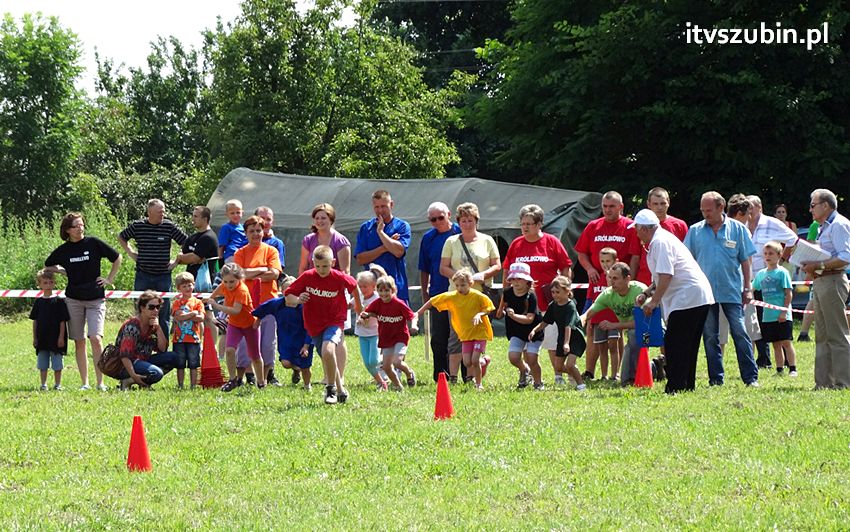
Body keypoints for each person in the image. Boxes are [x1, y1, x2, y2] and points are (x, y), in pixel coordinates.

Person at [633, 209, 714, 394]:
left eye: (636, 229)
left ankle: (675, 386)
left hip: (687, 297)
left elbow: (666, 275)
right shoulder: (661, 240)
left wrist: (653, 301)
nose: (636, 233)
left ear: (644, 229)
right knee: (687, 343)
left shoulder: (660, 242)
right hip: (695, 296)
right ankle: (686, 384)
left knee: (674, 342)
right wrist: (647, 292)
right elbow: (662, 274)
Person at [684, 191, 759, 387]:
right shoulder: (695, 231)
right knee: (710, 336)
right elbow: (687, 261)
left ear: (721, 207)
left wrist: (748, 287)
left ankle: (750, 377)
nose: (705, 214)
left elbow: (746, 261)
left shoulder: (738, 229)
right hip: (705, 293)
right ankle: (716, 378)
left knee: (740, 332)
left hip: (732, 290)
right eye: (702, 210)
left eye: (709, 210)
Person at [45, 212, 122, 390]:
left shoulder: (93, 243)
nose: (80, 228)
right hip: (74, 299)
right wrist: (62, 271)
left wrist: (109, 279)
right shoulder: (64, 250)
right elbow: (48, 264)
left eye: (81, 224)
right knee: (79, 341)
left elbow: (117, 257)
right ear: (67, 230)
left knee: (95, 338)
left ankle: (100, 383)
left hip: (96, 299)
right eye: (76, 226)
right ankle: (85, 383)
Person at [503, 204, 573, 385]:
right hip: (524, 305)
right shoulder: (516, 244)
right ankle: (529, 374)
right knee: (528, 343)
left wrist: (564, 291)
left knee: (553, 341)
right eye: (523, 223)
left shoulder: (551, 242)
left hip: (549, 301)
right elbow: (507, 270)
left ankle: (559, 375)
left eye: (529, 224)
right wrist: (506, 297)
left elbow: (566, 267)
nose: (525, 227)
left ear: (539, 224)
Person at [285, 246, 362, 405]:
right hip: (314, 325)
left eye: (325, 266)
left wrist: (358, 307)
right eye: (318, 266)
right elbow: (289, 295)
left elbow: (354, 286)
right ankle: (340, 390)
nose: (321, 270)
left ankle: (330, 389)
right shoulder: (307, 276)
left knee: (328, 350)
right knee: (328, 358)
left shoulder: (339, 277)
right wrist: (298, 299)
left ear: (333, 262)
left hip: (335, 321)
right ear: (313, 262)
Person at [575, 191, 637, 381]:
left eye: (612, 206)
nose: (607, 210)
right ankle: (589, 371)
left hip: (619, 288)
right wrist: (590, 269)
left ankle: (616, 372)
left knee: (616, 333)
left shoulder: (630, 227)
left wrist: (629, 280)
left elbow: (635, 256)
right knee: (592, 328)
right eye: (605, 206)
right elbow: (581, 253)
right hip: (596, 287)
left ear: (621, 207)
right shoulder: (593, 226)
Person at [440, 202, 501, 379]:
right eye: (463, 221)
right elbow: (443, 267)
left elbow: (497, 265)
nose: (467, 224)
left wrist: (483, 275)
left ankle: (472, 377)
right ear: (458, 222)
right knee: (456, 335)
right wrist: (460, 278)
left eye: (470, 220)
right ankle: (453, 376)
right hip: (457, 297)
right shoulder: (451, 241)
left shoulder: (487, 240)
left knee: (476, 336)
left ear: (476, 221)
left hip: (479, 297)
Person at [298, 203, 352, 386]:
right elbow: (303, 267)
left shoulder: (340, 241)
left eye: (324, 217)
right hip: (314, 294)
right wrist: (302, 289)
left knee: (338, 336)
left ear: (331, 219)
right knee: (321, 337)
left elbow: (345, 272)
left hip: (336, 294)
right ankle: (329, 376)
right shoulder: (308, 240)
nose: (320, 221)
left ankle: (339, 377)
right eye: (317, 218)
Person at [801, 189, 850, 389]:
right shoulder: (823, 227)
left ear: (825, 205)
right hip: (821, 281)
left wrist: (818, 265)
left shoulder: (839, 224)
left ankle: (843, 383)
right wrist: (810, 264)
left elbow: (845, 257)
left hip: (833, 281)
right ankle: (823, 383)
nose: (810, 209)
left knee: (837, 334)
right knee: (821, 335)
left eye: (813, 205)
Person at [117, 198, 188, 336]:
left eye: (163, 211)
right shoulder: (138, 226)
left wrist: (177, 260)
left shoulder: (169, 226)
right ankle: (139, 341)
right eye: (159, 212)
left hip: (163, 276)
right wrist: (131, 252)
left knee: (163, 313)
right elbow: (121, 237)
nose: (163, 214)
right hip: (143, 275)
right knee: (141, 310)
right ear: (149, 212)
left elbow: (186, 242)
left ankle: (163, 345)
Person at [416, 269, 495, 389]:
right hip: (465, 335)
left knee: (474, 360)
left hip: (479, 333)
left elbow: (489, 307)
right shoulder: (453, 296)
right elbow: (432, 301)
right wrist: (418, 313)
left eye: (462, 285)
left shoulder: (478, 296)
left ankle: (479, 385)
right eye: (457, 285)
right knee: (467, 362)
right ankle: (483, 362)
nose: (459, 288)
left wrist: (479, 314)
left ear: (471, 283)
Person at [746, 195, 798, 369]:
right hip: (753, 280)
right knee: (758, 322)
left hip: (771, 282)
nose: (748, 210)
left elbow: (793, 239)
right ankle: (764, 359)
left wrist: (781, 260)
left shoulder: (772, 223)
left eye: (751, 206)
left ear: (759, 207)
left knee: (777, 322)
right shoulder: (742, 225)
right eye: (746, 207)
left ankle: (787, 362)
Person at [233, 215, 282, 386]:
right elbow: (238, 275)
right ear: (246, 233)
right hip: (246, 305)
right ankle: (247, 376)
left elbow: (274, 274)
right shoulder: (240, 252)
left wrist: (249, 273)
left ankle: (265, 377)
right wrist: (262, 269)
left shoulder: (271, 251)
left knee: (268, 343)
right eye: (251, 231)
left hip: (268, 304)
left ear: (264, 232)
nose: (255, 234)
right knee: (245, 343)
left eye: (258, 230)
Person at [418, 201, 462, 382]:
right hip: (438, 293)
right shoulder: (428, 238)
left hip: (461, 293)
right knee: (439, 337)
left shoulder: (461, 232)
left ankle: (467, 375)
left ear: (449, 215)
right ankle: (441, 376)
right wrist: (424, 293)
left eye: (440, 218)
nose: (437, 222)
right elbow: (424, 268)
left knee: (462, 335)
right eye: (433, 219)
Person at [584, 262, 647, 385]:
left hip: (652, 329)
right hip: (633, 329)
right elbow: (588, 313)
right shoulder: (608, 294)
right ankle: (649, 369)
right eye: (610, 278)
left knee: (634, 334)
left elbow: (642, 323)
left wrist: (614, 325)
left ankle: (631, 377)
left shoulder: (640, 291)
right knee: (633, 336)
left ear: (627, 279)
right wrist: (578, 321)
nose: (611, 282)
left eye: (615, 278)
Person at [205, 263, 265, 391]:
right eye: (225, 281)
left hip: (250, 325)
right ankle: (233, 380)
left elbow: (236, 310)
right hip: (234, 324)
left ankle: (260, 382)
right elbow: (216, 292)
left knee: (255, 356)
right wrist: (209, 300)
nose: (228, 285)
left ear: (239, 278)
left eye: (232, 281)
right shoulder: (224, 285)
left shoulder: (241, 290)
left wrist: (216, 306)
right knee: (229, 350)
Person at [251, 275, 314, 392]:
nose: (290, 293)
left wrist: (306, 345)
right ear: (282, 291)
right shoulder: (277, 304)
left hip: (302, 340)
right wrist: (258, 319)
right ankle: (296, 369)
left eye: (293, 290)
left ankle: (307, 386)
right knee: (285, 363)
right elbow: (264, 308)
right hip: (286, 339)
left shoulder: (304, 307)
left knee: (305, 367)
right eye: (287, 290)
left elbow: (310, 328)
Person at [528, 276, 586, 391]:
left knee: (570, 364)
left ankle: (581, 385)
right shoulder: (553, 305)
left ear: (567, 291)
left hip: (574, 339)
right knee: (558, 367)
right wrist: (535, 330)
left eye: (557, 292)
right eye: (553, 292)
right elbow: (545, 322)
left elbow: (568, 326)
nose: (554, 295)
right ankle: (576, 373)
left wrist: (566, 343)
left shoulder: (570, 306)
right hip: (562, 338)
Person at [172, 205, 220, 346]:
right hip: (190, 283)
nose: (192, 219)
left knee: (208, 315)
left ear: (205, 219)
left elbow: (193, 257)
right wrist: (184, 257)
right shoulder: (192, 237)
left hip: (205, 284)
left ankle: (212, 349)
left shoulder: (209, 237)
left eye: (196, 216)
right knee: (195, 314)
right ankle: (198, 345)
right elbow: (184, 257)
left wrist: (188, 257)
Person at [360, 275, 417, 391]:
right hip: (386, 338)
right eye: (380, 290)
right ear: (377, 291)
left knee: (397, 362)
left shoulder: (399, 304)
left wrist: (414, 325)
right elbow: (367, 312)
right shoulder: (377, 303)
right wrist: (366, 315)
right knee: (386, 367)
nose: (383, 294)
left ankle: (409, 373)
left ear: (393, 290)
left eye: (386, 290)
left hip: (400, 337)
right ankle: (398, 386)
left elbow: (412, 316)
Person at [113, 291, 179, 390]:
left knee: (174, 357)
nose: (155, 310)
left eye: (158, 307)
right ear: (142, 308)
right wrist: (133, 375)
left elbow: (162, 349)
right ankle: (128, 380)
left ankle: (144, 382)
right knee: (157, 373)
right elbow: (124, 356)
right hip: (126, 364)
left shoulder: (153, 324)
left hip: (143, 359)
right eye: (151, 307)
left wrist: (158, 328)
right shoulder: (132, 325)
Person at [355, 190, 411, 303]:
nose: (380, 210)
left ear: (391, 204)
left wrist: (381, 233)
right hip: (372, 291)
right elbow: (360, 259)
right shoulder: (366, 228)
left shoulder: (402, 226)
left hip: (396, 288)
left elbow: (398, 252)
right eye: (377, 207)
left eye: (383, 206)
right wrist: (386, 247)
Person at [495, 262, 544, 390]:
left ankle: (538, 383)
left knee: (532, 359)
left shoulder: (531, 296)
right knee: (513, 357)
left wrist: (513, 315)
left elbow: (529, 319)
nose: (516, 282)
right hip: (516, 330)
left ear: (527, 281)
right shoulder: (507, 292)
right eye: (513, 279)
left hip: (532, 332)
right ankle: (524, 370)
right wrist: (500, 311)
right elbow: (503, 304)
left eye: (519, 279)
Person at [629, 186, 689, 287]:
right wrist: (631, 281)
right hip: (644, 279)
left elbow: (686, 254)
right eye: (655, 204)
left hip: (671, 279)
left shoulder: (679, 225)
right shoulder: (640, 225)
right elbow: (635, 256)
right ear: (648, 204)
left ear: (668, 202)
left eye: (663, 203)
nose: (659, 207)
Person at [753, 241, 797, 376]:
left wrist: (784, 311)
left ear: (779, 255)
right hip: (768, 316)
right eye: (765, 254)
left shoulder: (782, 272)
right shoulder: (761, 274)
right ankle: (779, 369)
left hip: (783, 315)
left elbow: (788, 293)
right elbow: (753, 288)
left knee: (786, 342)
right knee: (775, 344)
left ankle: (792, 368)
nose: (768, 256)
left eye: (771, 254)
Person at [583, 247, 621, 381]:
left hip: (613, 319)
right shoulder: (596, 278)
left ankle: (615, 374)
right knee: (602, 348)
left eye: (608, 261)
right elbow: (591, 300)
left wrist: (609, 277)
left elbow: (615, 292)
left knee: (613, 346)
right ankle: (604, 375)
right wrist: (588, 319)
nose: (605, 264)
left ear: (615, 261)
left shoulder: (617, 279)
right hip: (597, 319)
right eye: (602, 261)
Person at [30, 269, 69, 391]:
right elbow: (35, 321)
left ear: (54, 283)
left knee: (57, 364)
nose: (48, 285)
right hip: (42, 338)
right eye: (45, 282)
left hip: (56, 338)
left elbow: (63, 321)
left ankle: (58, 384)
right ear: (39, 284)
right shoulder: (38, 302)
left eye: (50, 282)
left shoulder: (59, 301)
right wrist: (35, 338)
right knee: (43, 364)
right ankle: (43, 384)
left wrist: (61, 337)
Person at [354, 268, 388, 390]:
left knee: (374, 360)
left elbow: (381, 313)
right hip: (362, 334)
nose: (362, 289)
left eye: (365, 287)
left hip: (375, 333)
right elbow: (350, 304)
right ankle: (381, 382)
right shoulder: (359, 297)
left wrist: (367, 316)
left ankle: (388, 360)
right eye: (360, 287)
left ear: (373, 286)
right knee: (367, 363)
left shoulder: (377, 299)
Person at [170, 272, 205, 389]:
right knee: (180, 364)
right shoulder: (176, 303)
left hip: (194, 339)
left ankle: (193, 385)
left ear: (193, 285)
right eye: (184, 286)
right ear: (178, 288)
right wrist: (193, 313)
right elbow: (178, 317)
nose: (187, 288)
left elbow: (201, 318)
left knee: (194, 364)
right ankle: (180, 385)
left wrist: (186, 316)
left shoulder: (198, 302)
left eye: (189, 285)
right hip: (178, 339)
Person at [797, 220, 821, 342]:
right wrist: (810, 273)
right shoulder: (815, 225)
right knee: (813, 301)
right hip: (818, 271)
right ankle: (803, 333)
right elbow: (811, 247)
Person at [218, 199, 248, 264]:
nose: (235, 215)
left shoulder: (245, 227)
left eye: (238, 212)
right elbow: (222, 246)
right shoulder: (226, 227)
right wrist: (220, 259)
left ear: (242, 213)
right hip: (232, 255)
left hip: (244, 254)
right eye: (232, 213)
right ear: (227, 214)